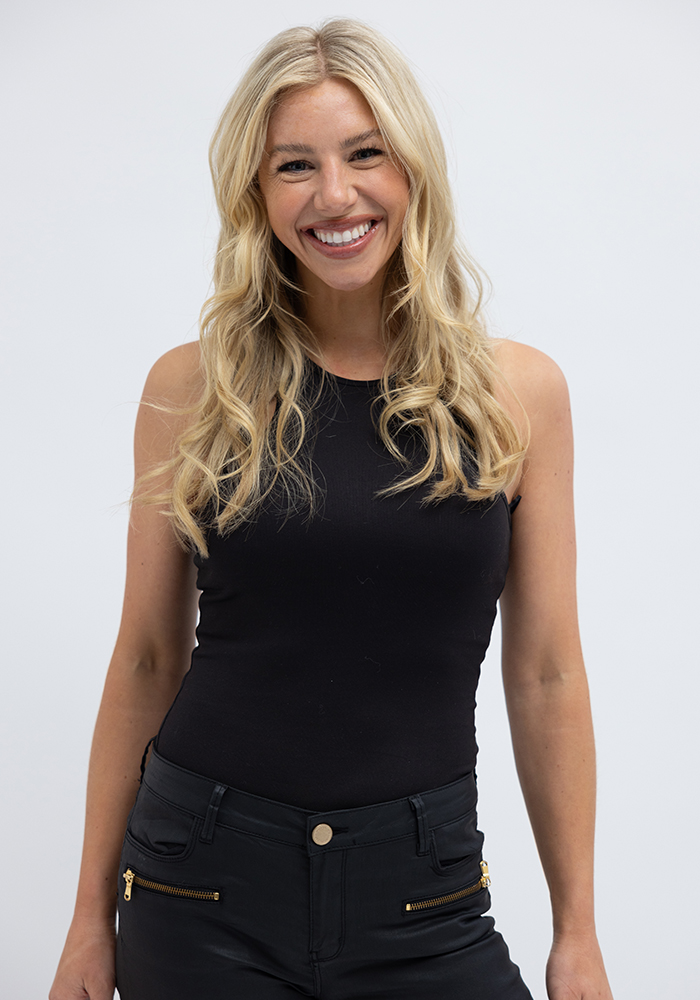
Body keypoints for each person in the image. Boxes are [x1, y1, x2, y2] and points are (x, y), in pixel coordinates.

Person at [50, 18, 613, 1000]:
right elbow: (146, 656)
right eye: (295, 165)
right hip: (201, 884)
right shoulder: (193, 390)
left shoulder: (516, 396)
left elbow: (547, 672)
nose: (336, 195)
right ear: (256, 193)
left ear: (414, 170)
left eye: (365, 154)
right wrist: (87, 924)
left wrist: (578, 933)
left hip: (425, 893)